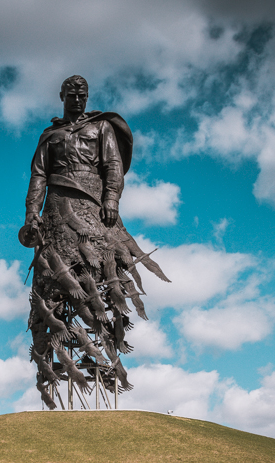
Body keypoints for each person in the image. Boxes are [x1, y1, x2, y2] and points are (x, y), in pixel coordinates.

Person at [20, 74, 169, 406]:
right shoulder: (51, 135)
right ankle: (52, 365)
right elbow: (38, 175)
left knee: (99, 278)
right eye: (71, 94)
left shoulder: (101, 129)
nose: (77, 99)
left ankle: (107, 356)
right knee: (55, 281)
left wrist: (112, 200)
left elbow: (113, 167)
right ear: (62, 96)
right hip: (57, 209)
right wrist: (32, 213)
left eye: (82, 94)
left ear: (87, 97)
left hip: (93, 205)